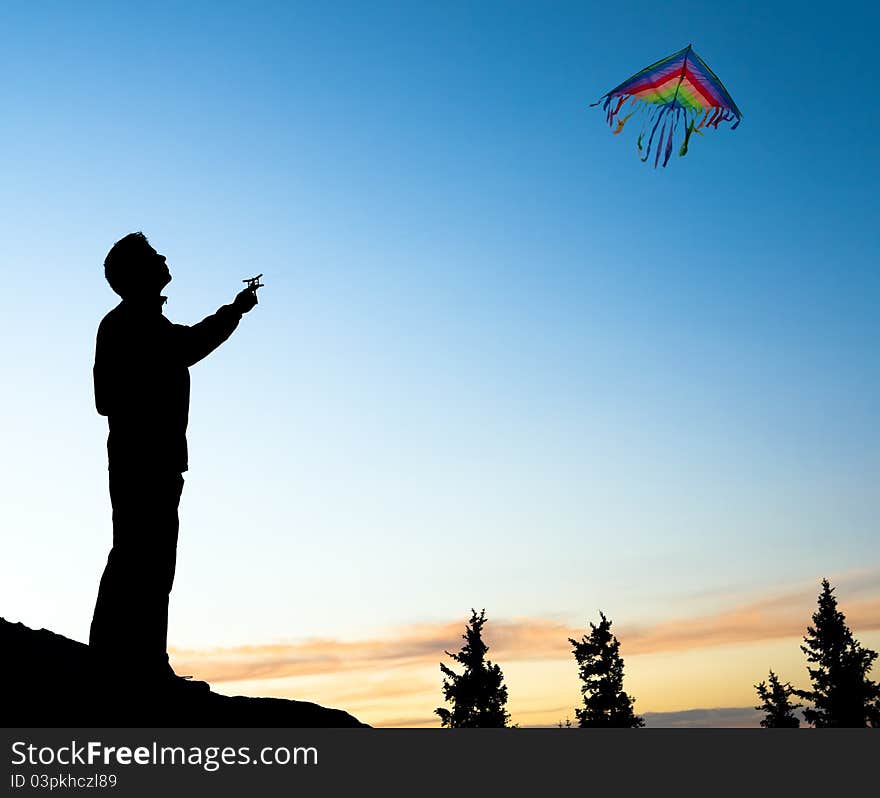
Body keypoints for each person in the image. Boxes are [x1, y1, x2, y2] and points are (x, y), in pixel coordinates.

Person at [89, 231, 259, 689]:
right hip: (141, 459)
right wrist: (233, 313)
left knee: (151, 561)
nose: (163, 257)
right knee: (138, 558)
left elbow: (186, 345)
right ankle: (119, 663)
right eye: (152, 255)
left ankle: (140, 661)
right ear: (137, 274)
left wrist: (233, 311)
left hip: (157, 459)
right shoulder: (124, 324)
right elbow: (108, 397)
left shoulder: (143, 324)